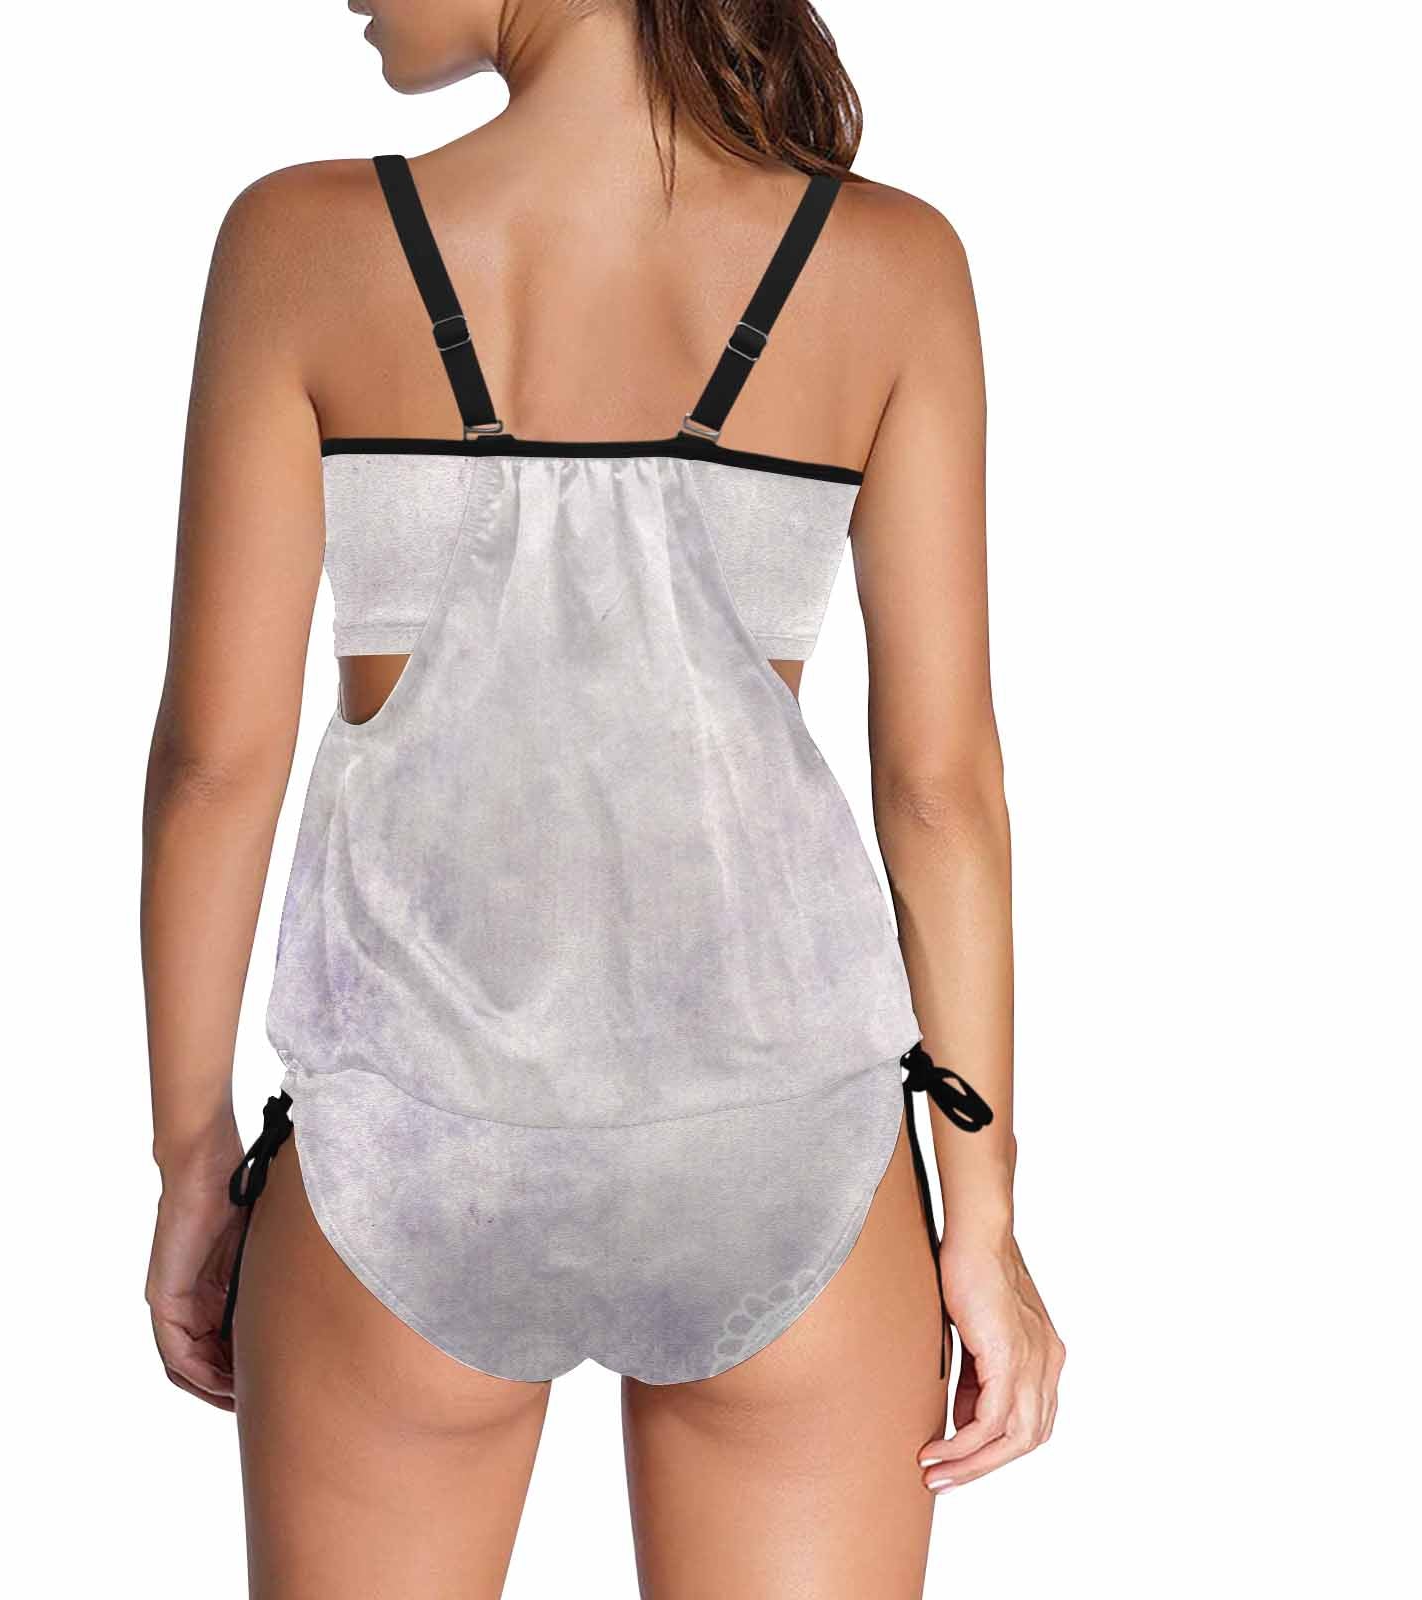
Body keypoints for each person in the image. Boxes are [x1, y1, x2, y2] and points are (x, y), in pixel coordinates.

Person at [141, 2, 1064, 1593]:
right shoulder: (889, 263)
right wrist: (978, 1214)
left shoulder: (300, 243)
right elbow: (942, 790)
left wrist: (187, 1160)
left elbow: (215, 770)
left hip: (403, 1162)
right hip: (787, 1160)